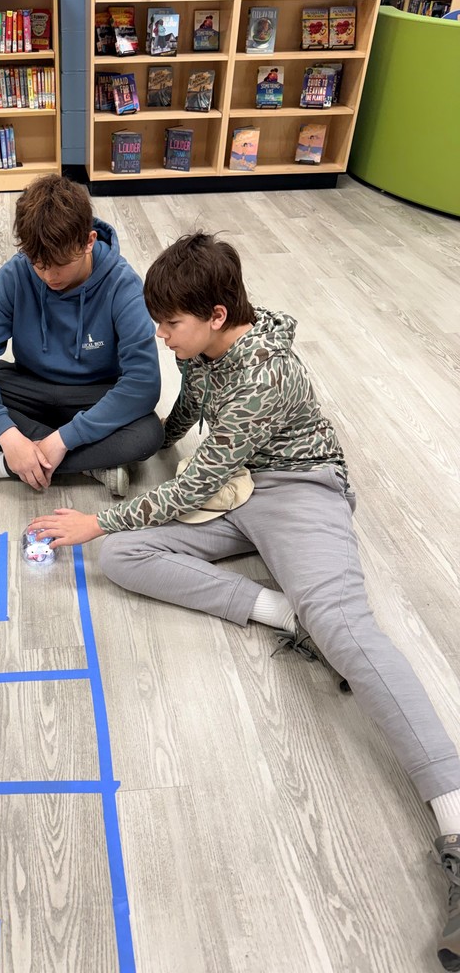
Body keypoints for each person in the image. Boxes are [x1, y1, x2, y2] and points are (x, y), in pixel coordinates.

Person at [30, 231, 460, 970]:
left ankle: (455, 817)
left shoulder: (265, 377)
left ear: (218, 313)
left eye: (170, 325)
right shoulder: (203, 350)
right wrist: (121, 452)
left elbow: (194, 485)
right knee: (122, 555)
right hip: (237, 490)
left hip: (297, 490)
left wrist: (95, 516)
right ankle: (283, 616)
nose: (160, 337)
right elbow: (182, 426)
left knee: (348, 628)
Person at [0, 175, 163, 497]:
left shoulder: (122, 285)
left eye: (61, 264)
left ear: (88, 241)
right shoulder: (15, 274)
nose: (50, 276)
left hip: (92, 395)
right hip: (29, 387)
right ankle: (91, 464)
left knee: (148, 434)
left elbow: (144, 383)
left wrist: (63, 439)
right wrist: (9, 436)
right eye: (39, 264)